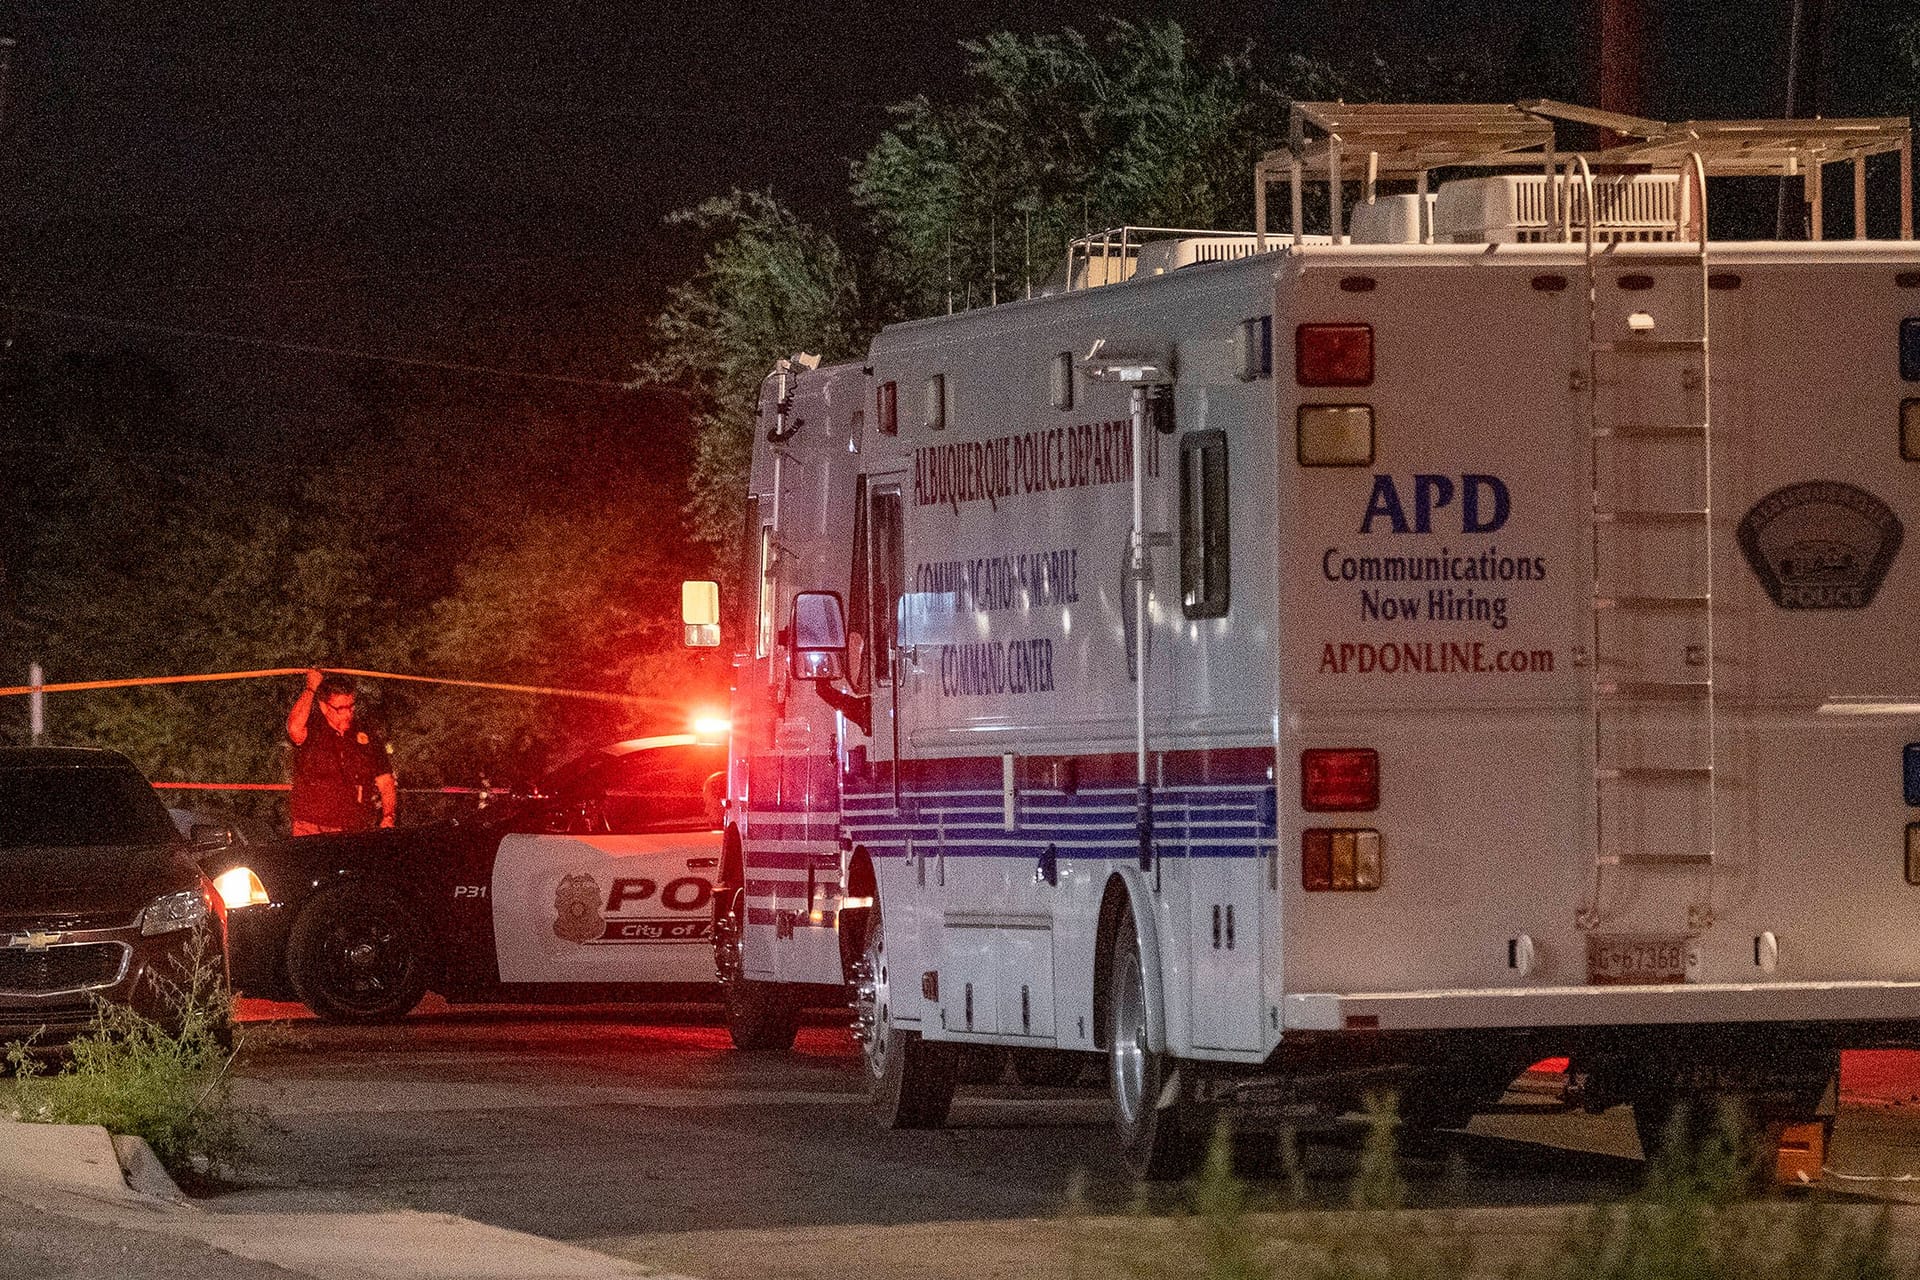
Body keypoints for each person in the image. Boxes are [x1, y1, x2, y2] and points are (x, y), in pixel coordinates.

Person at [285, 669, 396, 836]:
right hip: (311, 826)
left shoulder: (366, 736)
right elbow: (293, 728)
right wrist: (311, 688)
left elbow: (385, 781)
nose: (347, 713)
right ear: (324, 707)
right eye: (340, 708)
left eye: (351, 706)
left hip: (355, 826)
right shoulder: (313, 730)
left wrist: (388, 816)